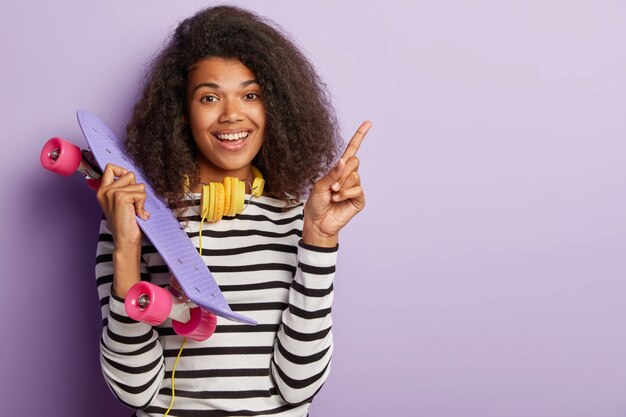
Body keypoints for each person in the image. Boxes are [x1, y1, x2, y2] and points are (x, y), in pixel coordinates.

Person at [94, 5, 370, 417]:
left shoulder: (300, 217)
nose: (231, 114)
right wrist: (127, 249)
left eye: (250, 94)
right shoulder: (133, 215)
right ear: (181, 113)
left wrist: (319, 238)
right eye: (209, 97)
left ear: (273, 106)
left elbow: (299, 386)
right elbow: (133, 391)